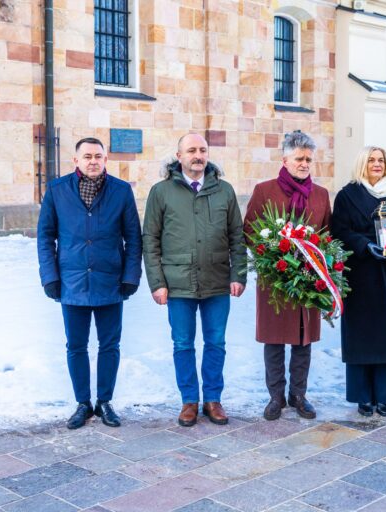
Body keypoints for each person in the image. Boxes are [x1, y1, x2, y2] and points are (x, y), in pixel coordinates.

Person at [37, 137, 142, 429]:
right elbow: (45, 237)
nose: (93, 161)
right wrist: (50, 277)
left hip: (111, 281)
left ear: (105, 159)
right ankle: (83, 403)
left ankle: (104, 401)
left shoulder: (121, 191)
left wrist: (131, 276)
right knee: (76, 345)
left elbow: (134, 237)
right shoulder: (57, 190)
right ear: (76, 161)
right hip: (71, 282)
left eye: (98, 156)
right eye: (87, 156)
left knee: (110, 344)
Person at [143, 133, 247, 427]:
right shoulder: (161, 192)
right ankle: (189, 400)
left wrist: (238, 273)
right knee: (182, 344)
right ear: (179, 156)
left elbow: (237, 237)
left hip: (217, 281)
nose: (198, 155)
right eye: (191, 150)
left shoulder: (224, 191)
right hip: (177, 283)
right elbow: (150, 239)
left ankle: (213, 399)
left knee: (216, 342)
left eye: (202, 150)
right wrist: (157, 282)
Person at [243, 131, 331, 421]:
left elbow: (327, 235)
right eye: (299, 158)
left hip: (308, 279)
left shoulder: (320, 195)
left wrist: (319, 259)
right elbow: (249, 230)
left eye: (308, 159)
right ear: (285, 159)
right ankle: (276, 397)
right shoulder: (265, 191)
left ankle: (299, 394)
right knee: (274, 338)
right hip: (276, 278)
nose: (304, 164)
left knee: (303, 340)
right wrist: (272, 254)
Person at [330, 147, 386, 417]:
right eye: (371, 160)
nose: (377, 164)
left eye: (381, 160)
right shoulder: (347, 195)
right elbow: (340, 231)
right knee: (361, 337)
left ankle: (384, 397)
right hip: (360, 273)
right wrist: (365, 245)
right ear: (362, 164)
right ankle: (362, 396)